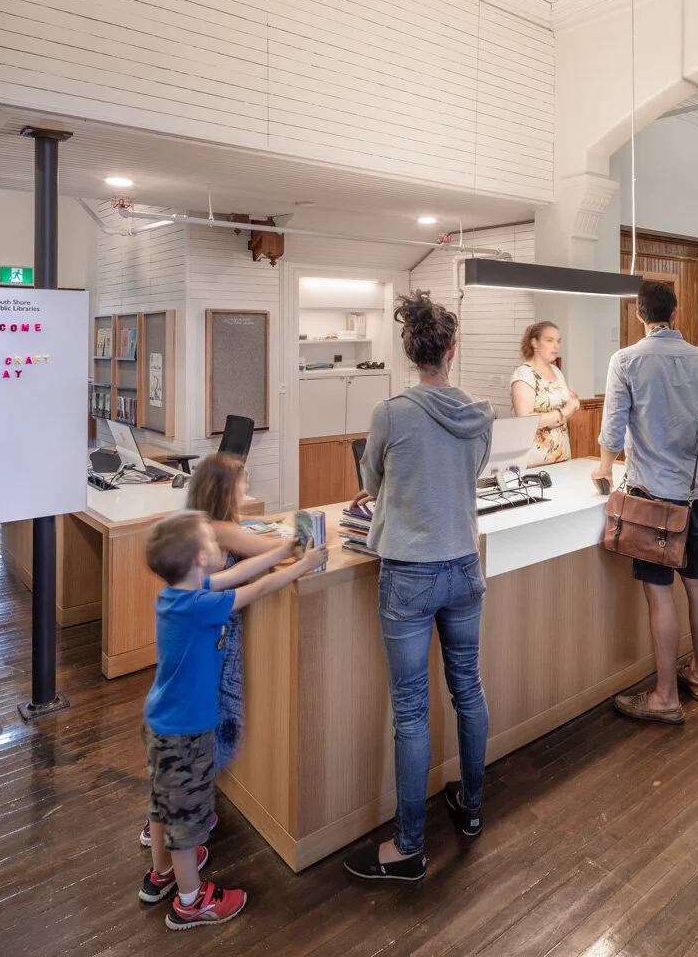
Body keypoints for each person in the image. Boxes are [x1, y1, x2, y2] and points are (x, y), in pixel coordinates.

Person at [342, 291, 494, 882]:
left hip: (408, 572)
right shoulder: (479, 413)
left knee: (411, 711)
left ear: (410, 353)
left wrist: (388, 488)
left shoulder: (392, 413)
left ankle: (409, 845)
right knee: (469, 691)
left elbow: (374, 476)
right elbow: (469, 472)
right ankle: (472, 808)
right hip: (463, 566)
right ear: (451, 352)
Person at [138, 509, 327, 929]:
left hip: (159, 721)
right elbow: (257, 588)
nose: (220, 546)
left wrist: (284, 548)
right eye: (213, 542)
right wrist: (304, 565)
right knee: (187, 822)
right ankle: (190, 901)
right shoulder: (202, 605)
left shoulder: (178, 595)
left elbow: (239, 573)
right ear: (200, 560)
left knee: (162, 802)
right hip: (186, 730)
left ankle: (162, 873)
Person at [134, 454, 298, 849]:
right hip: (216, 648)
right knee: (216, 727)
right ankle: (187, 820)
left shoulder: (196, 537)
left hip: (176, 692)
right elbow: (268, 560)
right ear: (226, 490)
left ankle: (171, 817)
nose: (246, 489)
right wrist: (293, 542)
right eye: (243, 483)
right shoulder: (220, 529)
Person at [592, 280, 698, 725]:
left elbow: (612, 432)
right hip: (696, 491)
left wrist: (603, 466)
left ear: (639, 314)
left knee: (659, 593)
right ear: (677, 310)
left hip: (651, 496)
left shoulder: (626, 360)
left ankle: (665, 696)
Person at [511, 320, 578, 465]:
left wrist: (573, 405)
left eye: (558, 341)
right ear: (534, 342)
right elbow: (525, 420)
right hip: (535, 461)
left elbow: (562, 414)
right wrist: (563, 412)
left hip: (562, 457)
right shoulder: (524, 374)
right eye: (549, 340)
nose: (556, 346)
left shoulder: (557, 372)